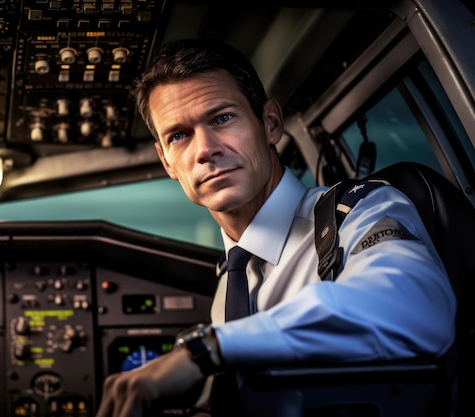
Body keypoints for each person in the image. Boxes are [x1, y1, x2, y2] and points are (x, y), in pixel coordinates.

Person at [95, 38, 456, 417]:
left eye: (221, 118)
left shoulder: (359, 210)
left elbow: (410, 306)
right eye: (179, 135)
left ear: (270, 123)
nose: (204, 150)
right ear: (167, 162)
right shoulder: (228, 284)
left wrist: (206, 350)